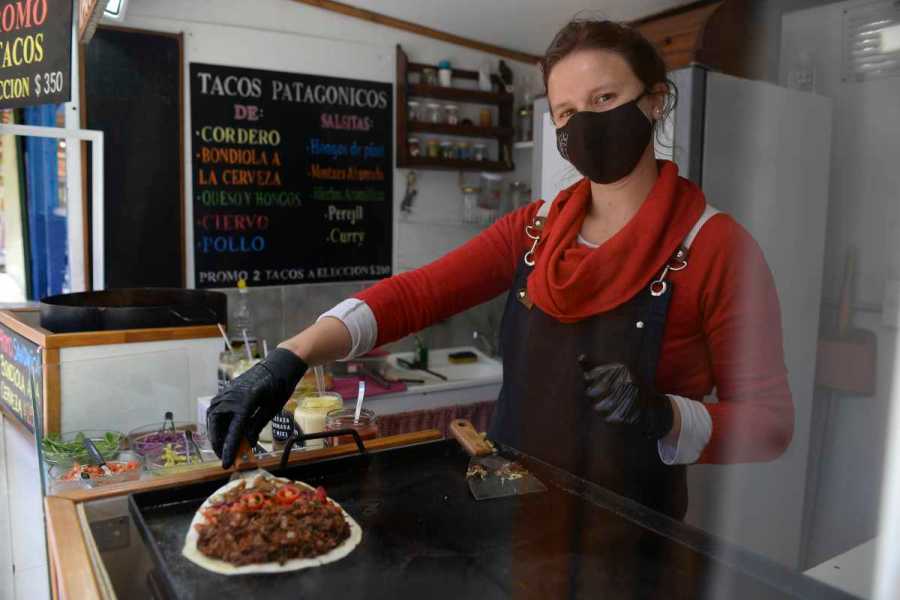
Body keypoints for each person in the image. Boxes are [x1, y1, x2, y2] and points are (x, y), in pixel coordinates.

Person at [207, 19, 793, 519]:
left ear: (656, 100)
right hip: (516, 520)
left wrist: (665, 414)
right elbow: (417, 295)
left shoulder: (717, 248)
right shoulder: (534, 230)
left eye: (604, 99)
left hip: (632, 539)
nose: (585, 124)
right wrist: (292, 355)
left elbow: (770, 426)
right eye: (567, 111)